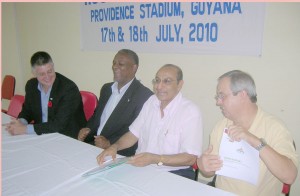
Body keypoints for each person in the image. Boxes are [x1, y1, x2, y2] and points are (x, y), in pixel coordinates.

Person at [197, 70, 298, 195]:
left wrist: (253, 140)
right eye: (218, 97)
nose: (218, 102)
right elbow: (209, 172)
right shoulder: (221, 126)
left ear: (242, 95)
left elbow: (289, 176)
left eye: (222, 96)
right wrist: (203, 165)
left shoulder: (275, 127)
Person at [97, 64, 203, 180]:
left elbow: (190, 158)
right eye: (157, 81)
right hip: (141, 167)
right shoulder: (151, 101)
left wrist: (155, 159)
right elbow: (133, 134)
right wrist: (115, 147)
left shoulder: (190, 111)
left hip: (173, 172)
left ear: (180, 85)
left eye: (167, 81)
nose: (159, 86)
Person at [78, 49, 153, 157]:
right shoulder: (106, 88)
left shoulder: (144, 96)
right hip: (92, 144)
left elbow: (135, 131)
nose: (115, 67)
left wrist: (109, 143)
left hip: (118, 152)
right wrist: (87, 129)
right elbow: (97, 115)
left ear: (134, 68)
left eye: (121, 64)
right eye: (114, 63)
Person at [5, 51, 86, 139]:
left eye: (50, 71)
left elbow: (58, 124)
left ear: (53, 67)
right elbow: (27, 110)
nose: (47, 77)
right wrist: (21, 122)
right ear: (34, 73)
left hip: (66, 136)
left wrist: (24, 129)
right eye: (42, 74)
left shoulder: (68, 88)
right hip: (41, 133)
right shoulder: (31, 85)